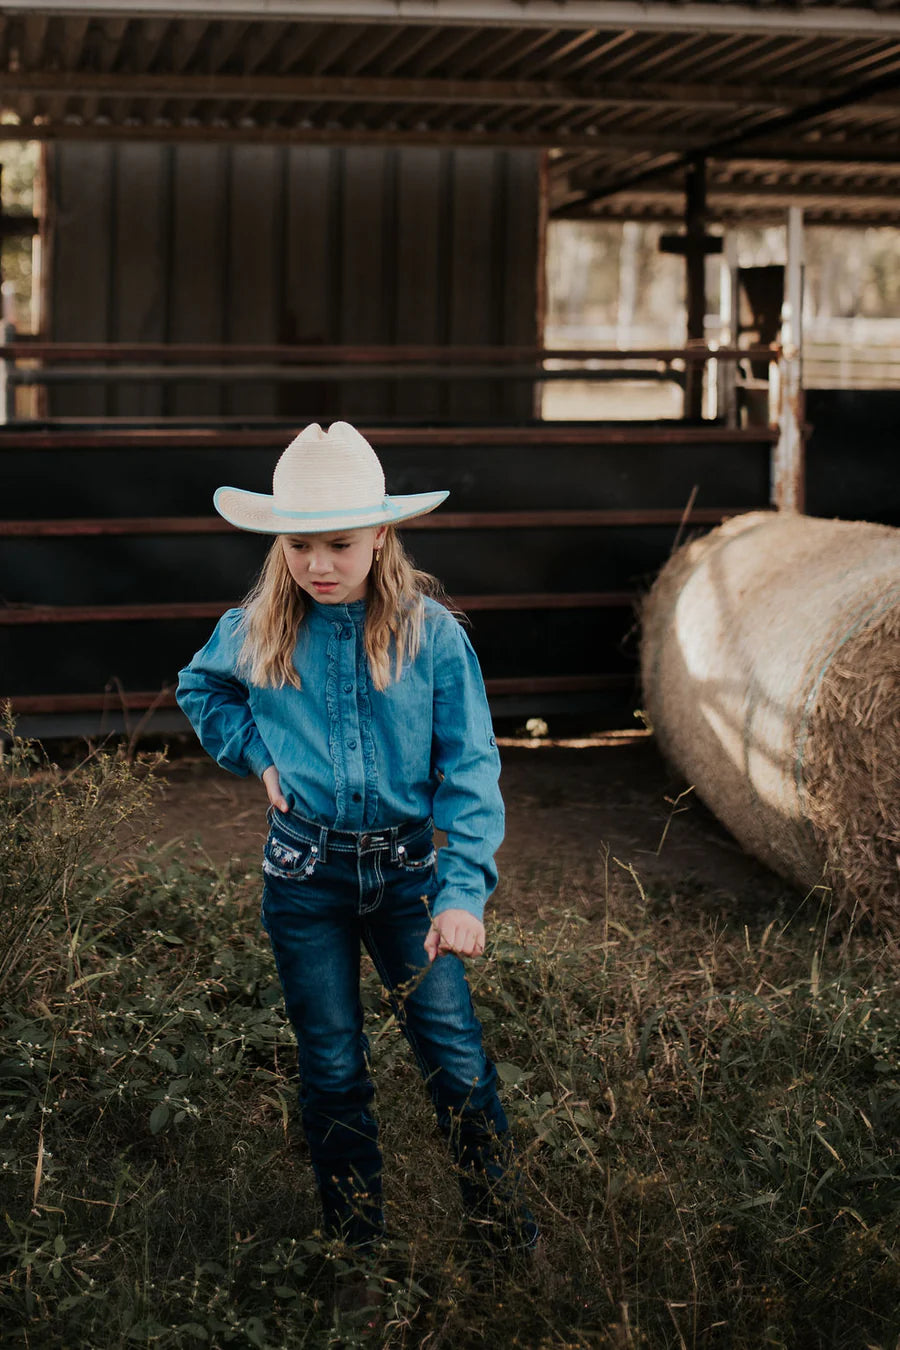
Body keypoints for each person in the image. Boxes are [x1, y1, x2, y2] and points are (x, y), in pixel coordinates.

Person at [176, 420, 537, 1263]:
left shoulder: (431, 636)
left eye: (340, 544)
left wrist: (461, 892)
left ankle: (503, 1245)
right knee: (332, 1067)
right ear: (280, 544)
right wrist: (259, 757)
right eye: (301, 545)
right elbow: (203, 689)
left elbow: (472, 769)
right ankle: (357, 1254)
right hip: (304, 878)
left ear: (381, 535)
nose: (319, 565)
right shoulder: (257, 625)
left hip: (411, 879)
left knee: (456, 1063)